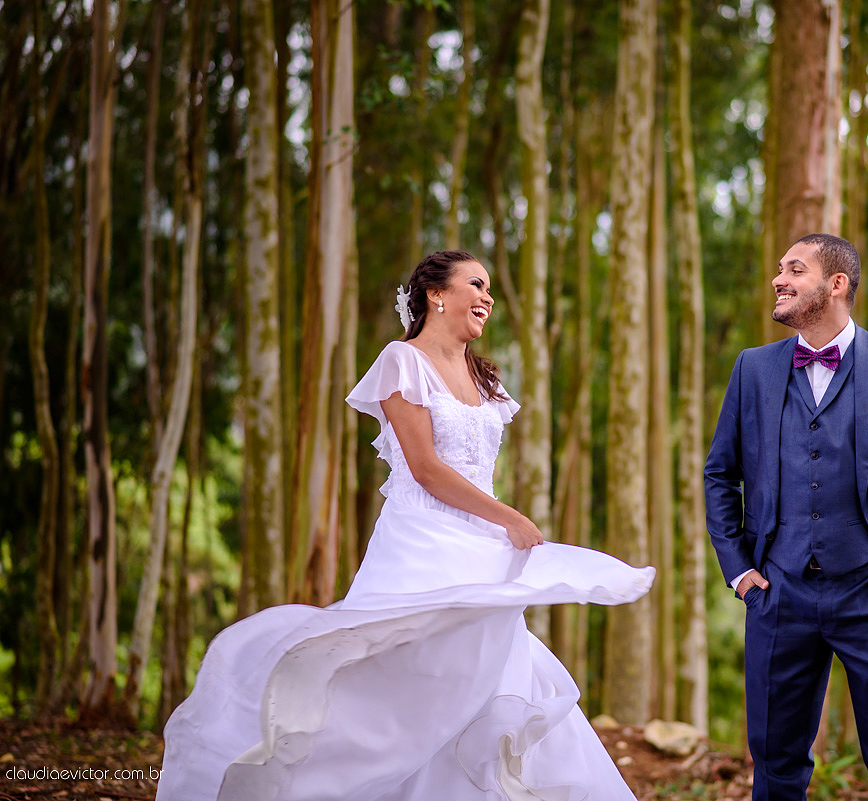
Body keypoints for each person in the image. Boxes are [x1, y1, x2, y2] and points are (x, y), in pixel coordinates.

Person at [157, 250, 654, 801]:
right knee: (407, 676)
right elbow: (425, 468)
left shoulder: (483, 376)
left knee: (489, 674)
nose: (488, 297)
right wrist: (510, 517)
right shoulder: (401, 360)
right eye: (477, 285)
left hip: (481, 544)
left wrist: (497, 525)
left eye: (489, 289)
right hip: (423, 537)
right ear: (437, 295)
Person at [704, 234, 868, 801]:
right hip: (778, 594)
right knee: (774, 765)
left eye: (794, 269)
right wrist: (740, 572)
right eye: (779, 269)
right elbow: (719, 474)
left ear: (837, 284)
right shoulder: (753, 369)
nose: (778, 279)